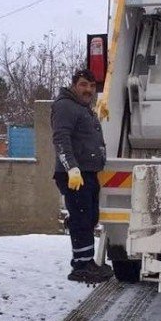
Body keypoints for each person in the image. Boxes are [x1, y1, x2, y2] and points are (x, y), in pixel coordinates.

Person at [51, 69, 113, 284]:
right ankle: (81, 266)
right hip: (74, 175)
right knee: (81, 219)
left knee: (89, 218)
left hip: (87, 172)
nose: (88, 89)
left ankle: (87, 261)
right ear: (74, 85)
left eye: (92, 86)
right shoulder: (65, 105)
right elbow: (61, 138)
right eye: (84, 84)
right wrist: (71, 168)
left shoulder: (83, 107)